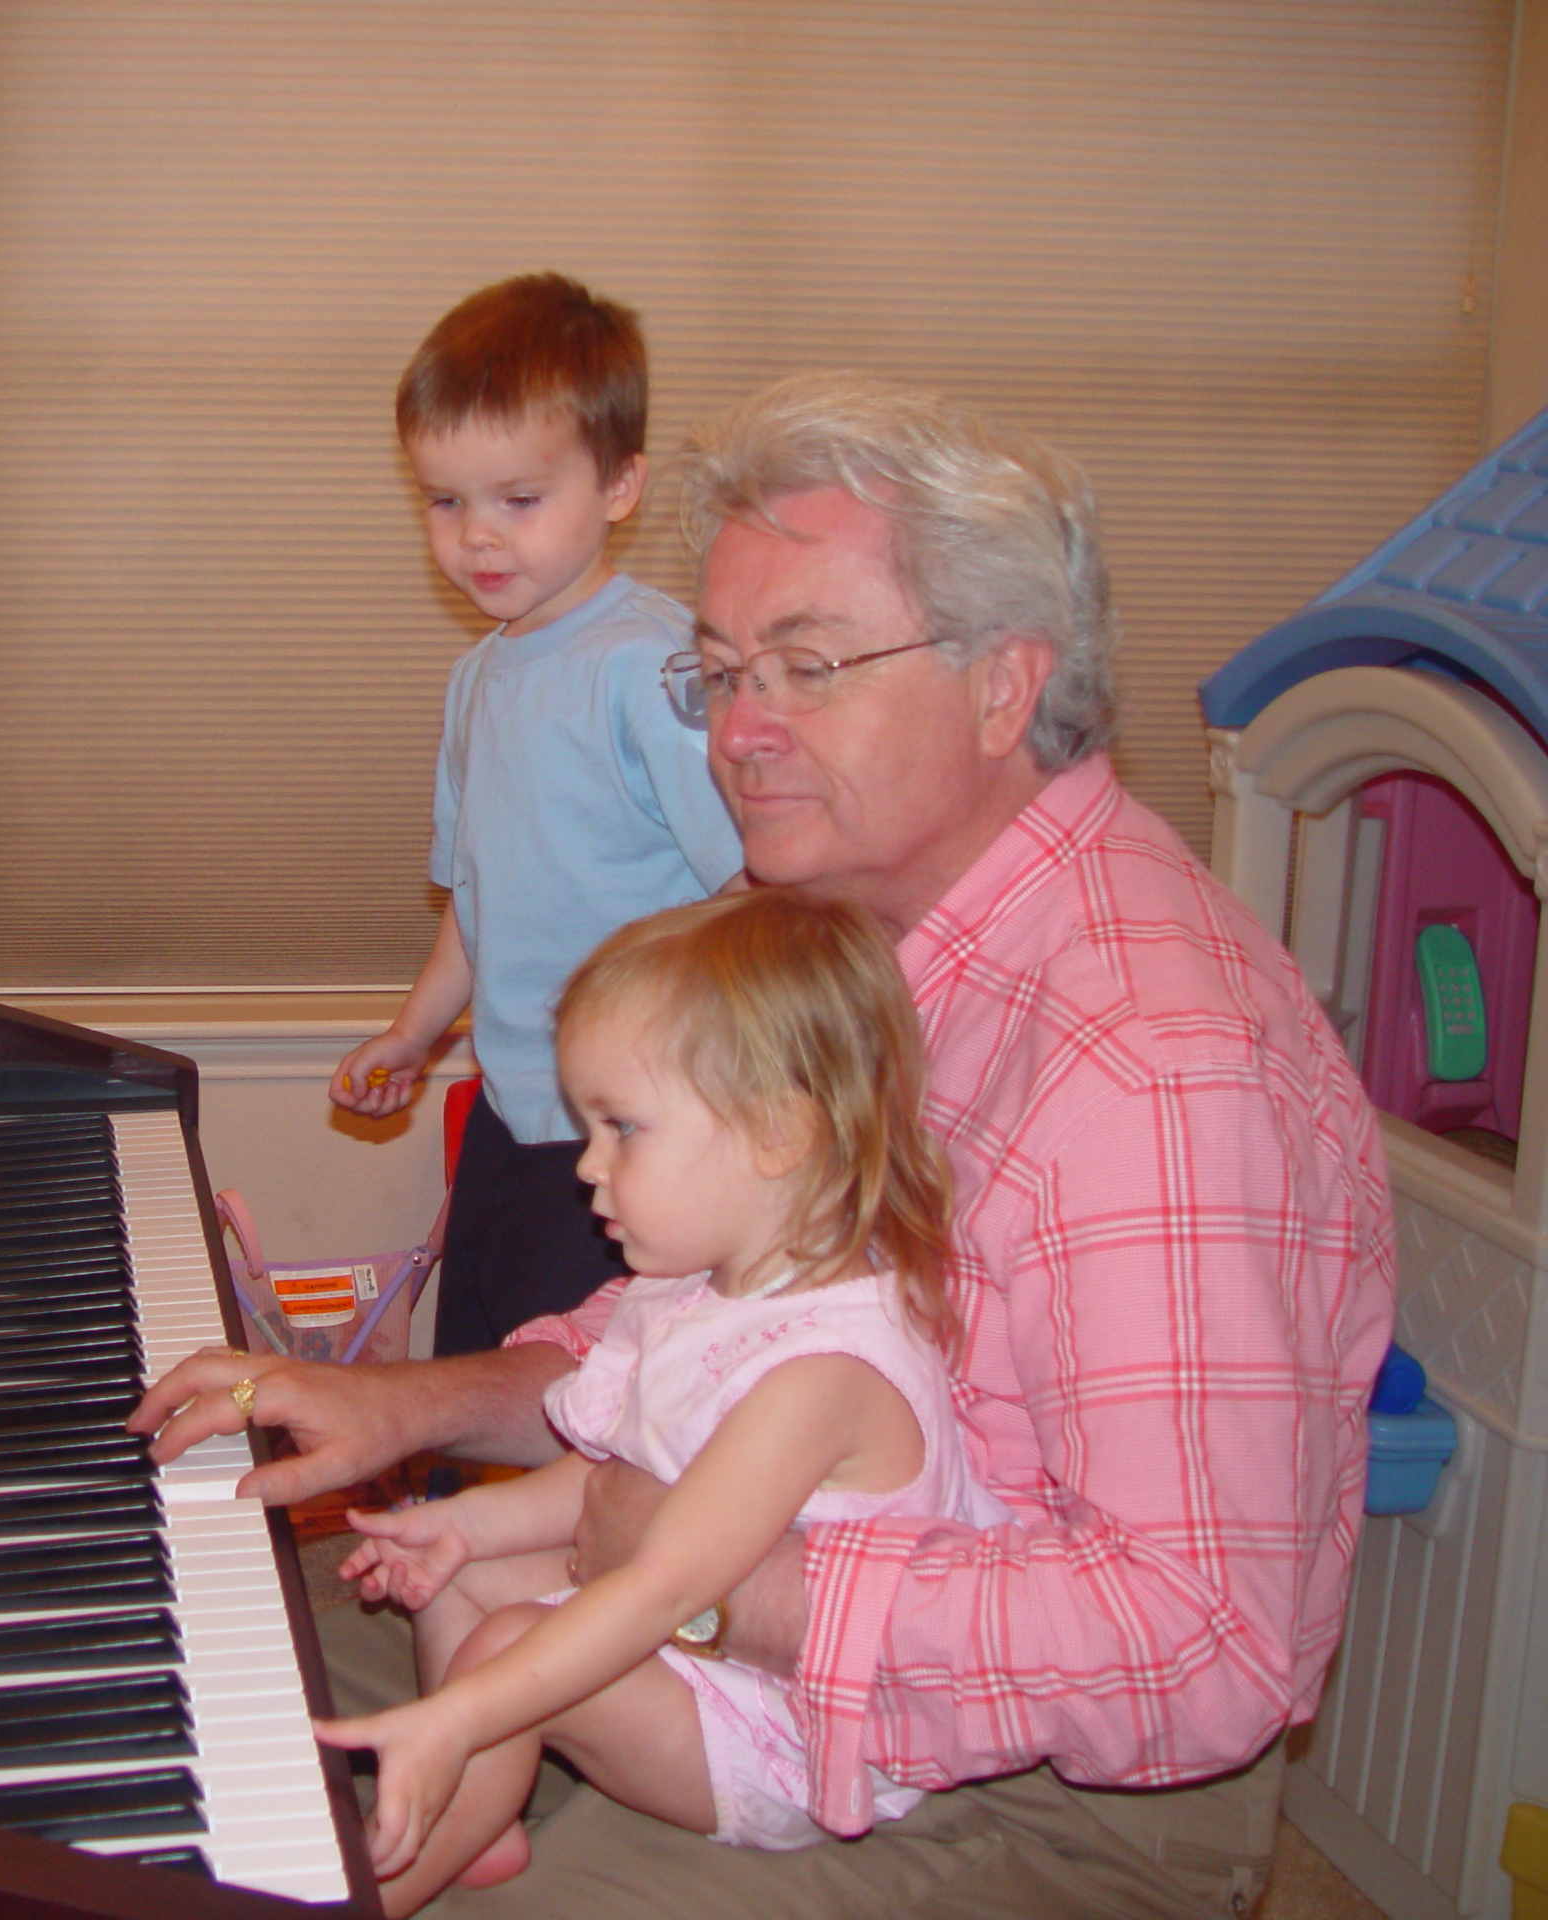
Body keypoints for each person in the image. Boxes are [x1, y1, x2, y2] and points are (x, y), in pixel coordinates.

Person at [133, 373, 1395, 1917]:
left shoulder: (1152, 1067)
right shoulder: (853, 947)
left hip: (1039, 1802)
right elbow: (677, 1341)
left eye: (807, 666)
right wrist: (395, 1409)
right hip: (723, 1616)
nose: (743, 732)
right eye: (720, 673)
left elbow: (1199, 1652)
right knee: (192, 1644)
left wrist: (697, 1577)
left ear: (1006, 688)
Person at [318, 890, 1010, 1915]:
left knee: (506, 1650)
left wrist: (461, 1712)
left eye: (621, 1128)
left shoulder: (824, 1371)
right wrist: (458, 1526)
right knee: (467, 1586)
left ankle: (381, 1888)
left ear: (778, 1133)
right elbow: (610, 1477)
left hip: (786, 1728)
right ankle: (482, 1819)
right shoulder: (690, 1286)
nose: (587, 1167)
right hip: (693, 1637)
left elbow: (656, 1585)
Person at [328, 272, 743, 1354]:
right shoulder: (475, 682)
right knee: (474, 1360)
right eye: (444, 501)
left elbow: (749, 892)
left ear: (619, 486)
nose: (478, 540)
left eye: (519, 500)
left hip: (637, 1121)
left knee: (587, 1394)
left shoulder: (648, 667)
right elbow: (478, 896)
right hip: (514, 1107)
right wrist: (417, 1032)